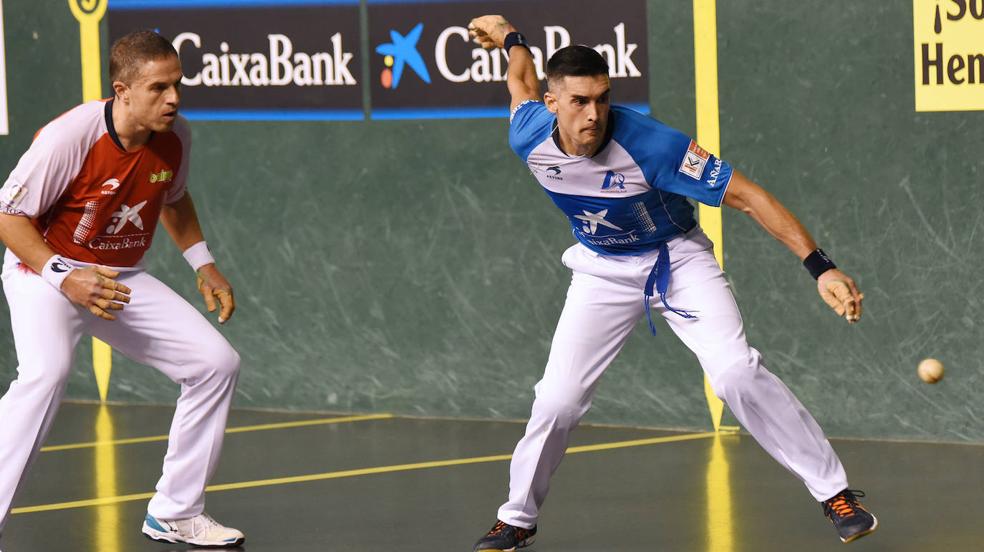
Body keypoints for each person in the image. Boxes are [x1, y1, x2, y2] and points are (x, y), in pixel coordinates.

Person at [466, 15, 877, 550]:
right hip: (601, 268)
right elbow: (520, 79)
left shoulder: (654, 145)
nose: (594, 114)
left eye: (603, 99)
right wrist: (509, 38)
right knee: (558, 400)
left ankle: (835, 493)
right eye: (579, 102)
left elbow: (749, 197)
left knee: (734, 373)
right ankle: (517, 518)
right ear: (553, 104)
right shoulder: (529, 135)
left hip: (677, 260)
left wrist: (820, 267)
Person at [0, 30, 245, 548]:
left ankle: (175, 512)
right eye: (159, 88)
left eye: (177, 84)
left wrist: (204, 263)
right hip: (44, 274)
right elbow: (8, 217)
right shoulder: (71, 136)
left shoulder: (176, 136)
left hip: (118, 278)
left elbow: (173, 199)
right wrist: (66, 276)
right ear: (123, 90)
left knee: (214, 363)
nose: (173, 98)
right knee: (45, 375)